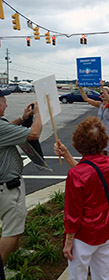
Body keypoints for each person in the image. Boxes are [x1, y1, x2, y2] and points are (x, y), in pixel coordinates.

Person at [55, 116, 109, 280]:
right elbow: (89, 174)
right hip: (105, 231)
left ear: (79, 142)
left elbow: (72, 213)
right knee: (102, 275)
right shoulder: (108, 165)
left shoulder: (75, 175)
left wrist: (68, 241)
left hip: (83, 236)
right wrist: (66, 155)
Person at [0, 91, 42, 265]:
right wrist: (39, 114)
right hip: (8, 187)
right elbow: (34, 134)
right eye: (3, 100)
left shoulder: (2, 126)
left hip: (6, 186)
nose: (7, 104)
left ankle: (14, 253)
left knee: (13, 223)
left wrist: (23, 117)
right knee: (11, 230)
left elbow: (8, 128)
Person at [77, 81, 109, 178]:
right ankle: (104, 175)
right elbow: (86, 99)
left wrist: (102, 87)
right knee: (102, 155)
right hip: (101, 134)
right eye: (101, 93)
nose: (102, 94)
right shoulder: (99, 105)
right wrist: (80, 88)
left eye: (105, 93)